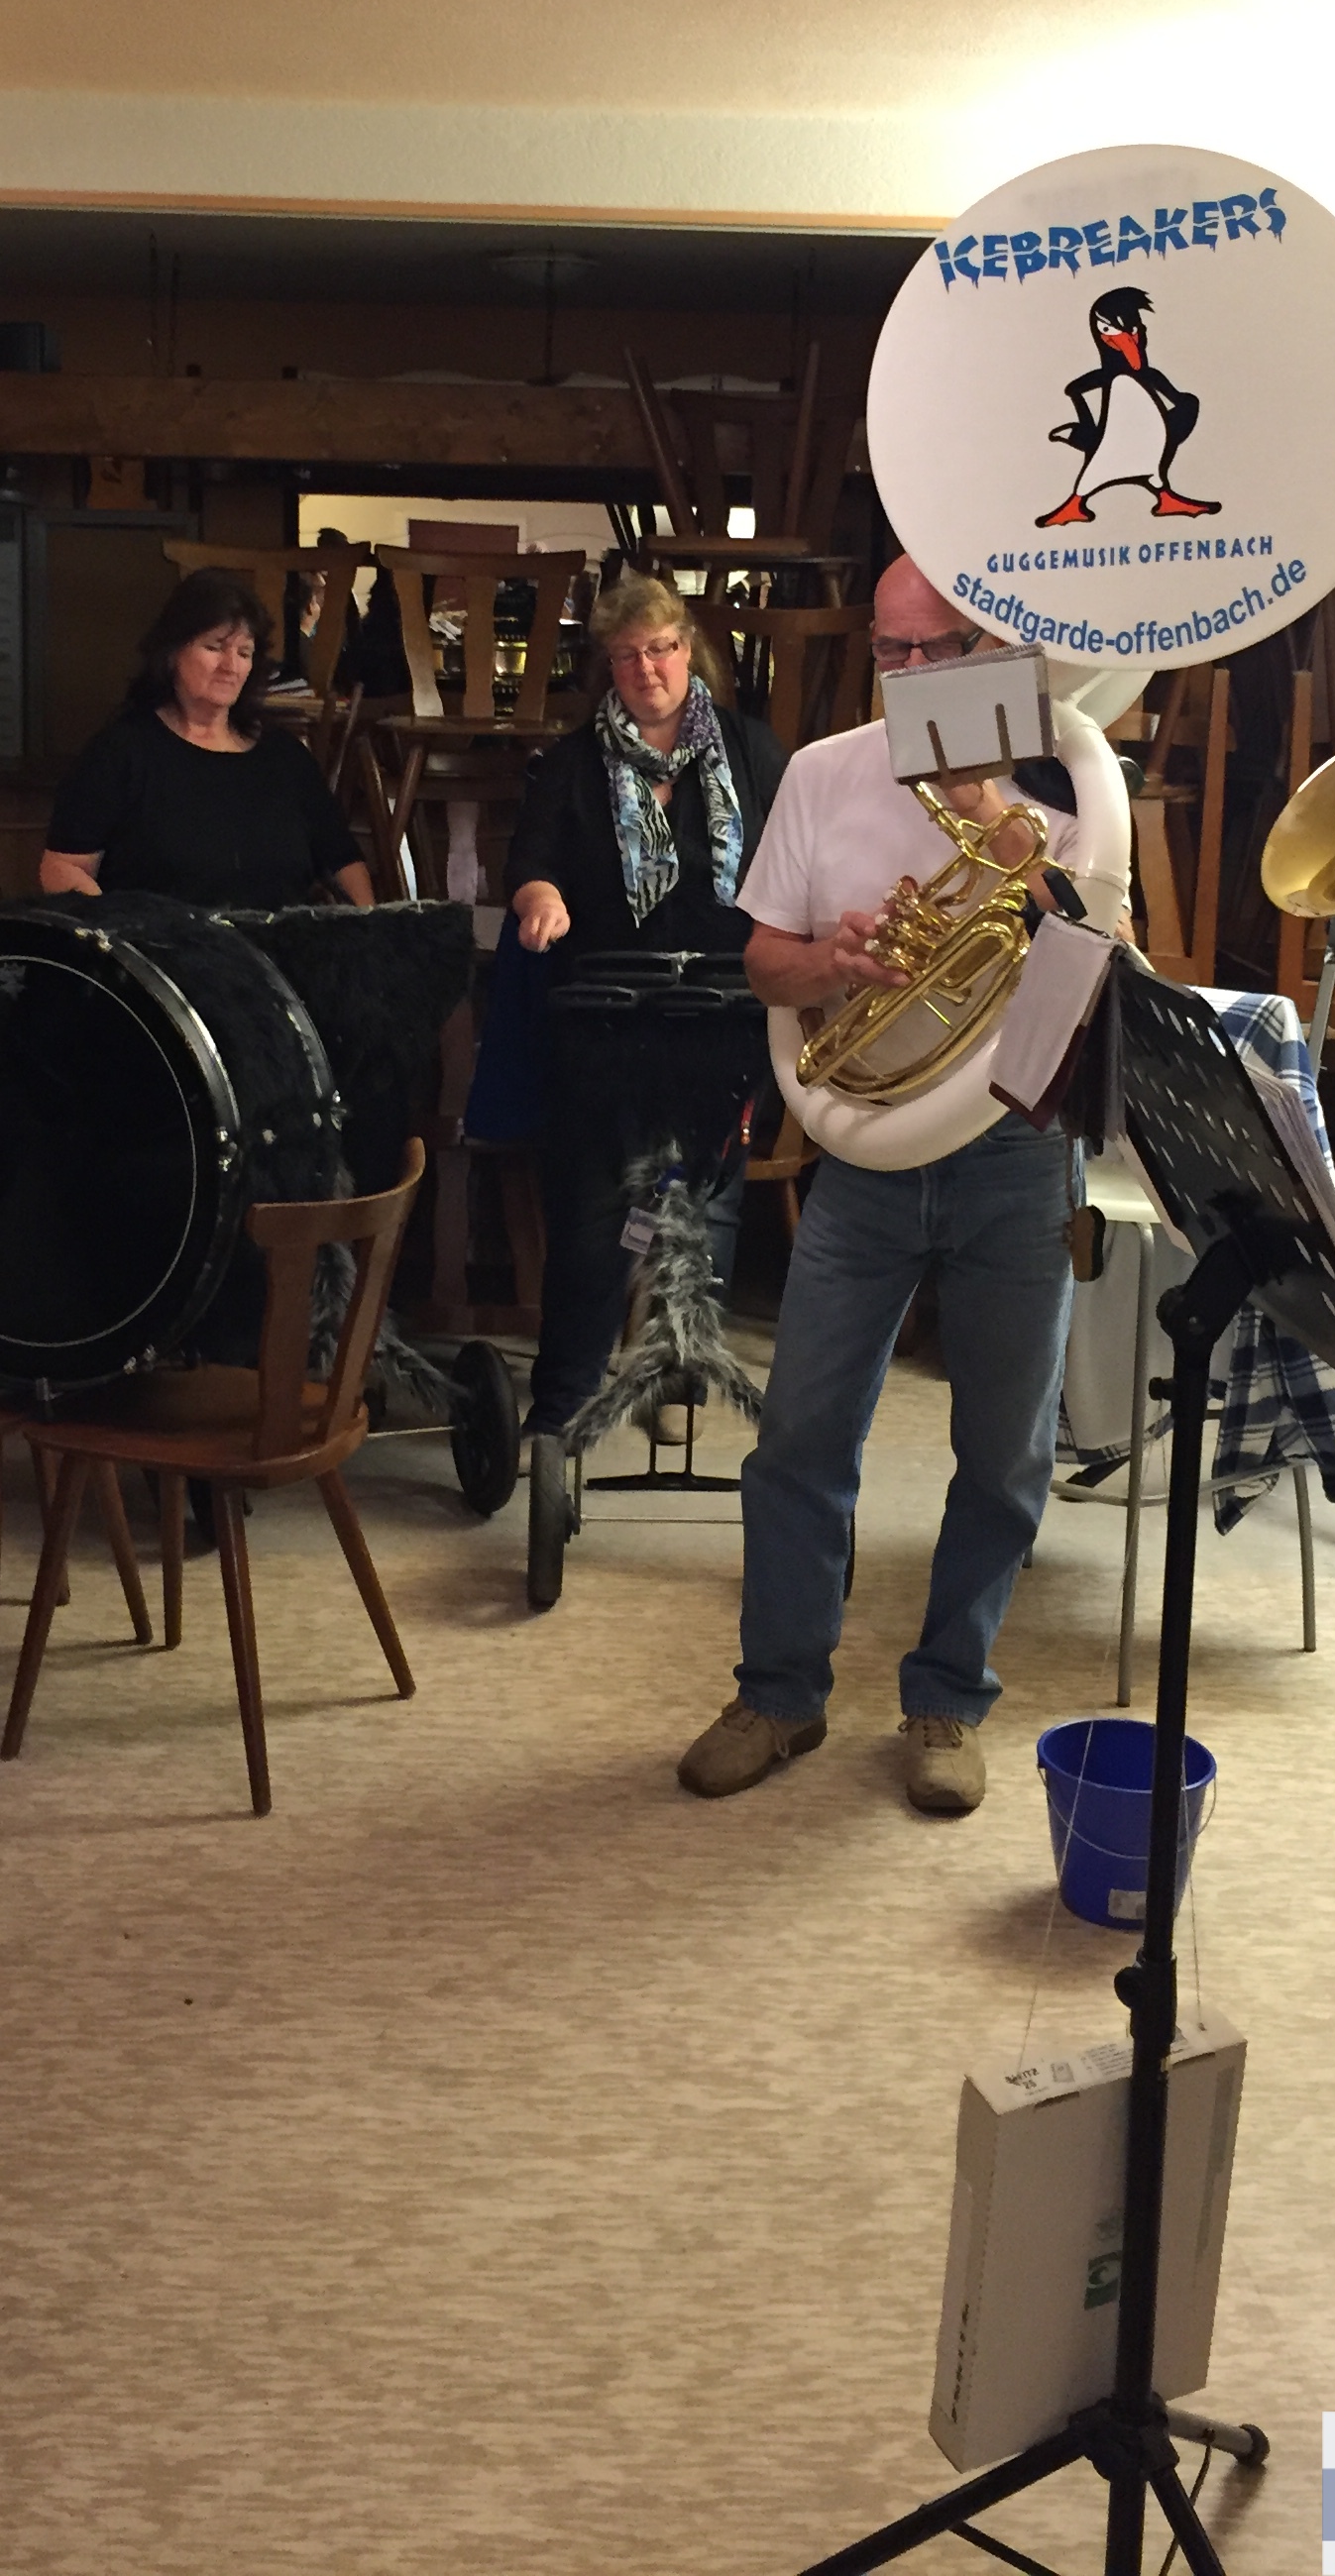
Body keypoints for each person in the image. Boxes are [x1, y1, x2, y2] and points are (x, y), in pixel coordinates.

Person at [677, 555, 1086, 1817]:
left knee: (1004, 1453)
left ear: (990, 651)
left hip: (1015, 1151)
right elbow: (763, 962)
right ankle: (779, 1693)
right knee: (800, 1434)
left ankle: (948, 1699)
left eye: (935, 651)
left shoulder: (1068, 771)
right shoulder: (822, 772)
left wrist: (984, 803)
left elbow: (1094, 943)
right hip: (862, 1149)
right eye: (888, 650)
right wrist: (836, 963)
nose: (907, 675)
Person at [504, 573, 787, 1438]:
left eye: (661, 648)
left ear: (687, 649)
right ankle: (564, 1402)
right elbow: (533, 863)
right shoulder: (571, 763)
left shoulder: (751, 750)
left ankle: (674, 1385)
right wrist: (541, 899)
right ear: (609, 666)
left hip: (726, 1010)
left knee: (706, 1209)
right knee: (594, 1217)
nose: (647, 668)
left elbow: (796, 859)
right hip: (605, 1012)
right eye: (627, 655)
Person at [39, 566, 375, 909]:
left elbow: (344, 861)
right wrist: (123, 929)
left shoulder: (286, 758)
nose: (231, 666)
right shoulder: (121, 753)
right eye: (215, 647)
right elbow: (63, 868)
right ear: (172, 651)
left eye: (244, 653)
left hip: (278, 941)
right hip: (162, 940)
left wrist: (365, 929)